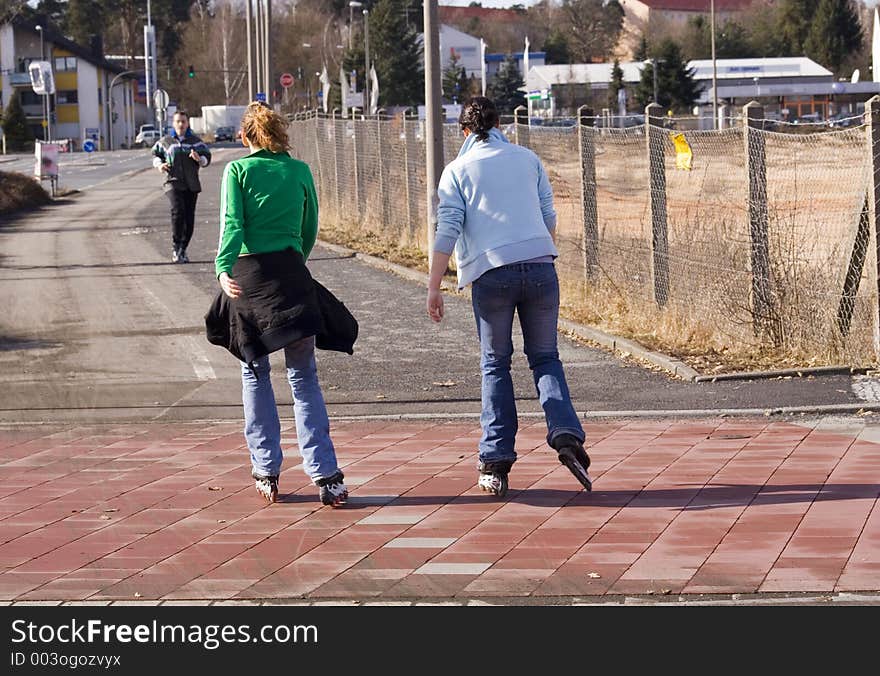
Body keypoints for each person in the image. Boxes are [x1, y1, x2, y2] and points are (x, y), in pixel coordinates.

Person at [426, 96, 592, 499]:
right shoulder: (527, 158)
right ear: (501, 124)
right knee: (546, 357)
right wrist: (542, 257)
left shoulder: (456, 170)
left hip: (491, 272)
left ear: (464, 131)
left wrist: (434, 285)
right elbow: (548, 215)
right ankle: (565, 433)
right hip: (539, 266)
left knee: (495, 363)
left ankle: (495, 463)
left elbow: (448, 228)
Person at [214, 101, 349, 507]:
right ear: (280, 133)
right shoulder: (299, 170)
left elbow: (233, 224)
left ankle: (266, 469)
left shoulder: (237, 170)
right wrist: (296, 260)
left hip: (250, 278)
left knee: (255, 373)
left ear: (244, 136)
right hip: (292, 277)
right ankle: (326, 475)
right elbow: (310, 228)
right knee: (303, 375)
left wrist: (224, 267)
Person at [151, 110, 212, 263]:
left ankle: (183, 249)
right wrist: (160, 165)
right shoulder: (166, 141)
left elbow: (207, 158)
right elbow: (156, 155)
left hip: (191, 184)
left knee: (189, 217)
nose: (181, 124)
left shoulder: (195, 141)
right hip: (172, 181)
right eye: (178, 121)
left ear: (188, 123)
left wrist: (200, 159)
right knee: (177, 211)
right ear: (173, 123)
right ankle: (175, 245)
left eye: (183, 121)